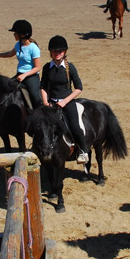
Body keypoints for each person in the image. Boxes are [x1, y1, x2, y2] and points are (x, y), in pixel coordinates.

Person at [39, 35, 89, 164]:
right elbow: (43, 87)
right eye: (55, 51)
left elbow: (79, 88)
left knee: (75, 126)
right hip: (51, 103)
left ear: (64, 52)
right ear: (50, 52)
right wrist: (45, 102)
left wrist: (65, 101)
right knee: (39, 124)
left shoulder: (70, 67)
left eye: (60, 51)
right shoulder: (46, 68)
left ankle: (83, 151)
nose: (57, 53)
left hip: (67, 101)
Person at [0, 19, 43, 109]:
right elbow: (9, 54)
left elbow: (37, 67)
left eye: (15, 33)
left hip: (31, 76)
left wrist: (24, 75)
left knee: (35, 98)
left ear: (22, 34)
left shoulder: (33, 48)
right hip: (19, 75)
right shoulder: (18, 45)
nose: (14, 35)